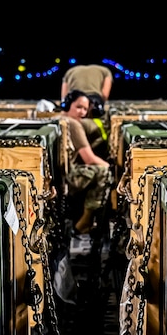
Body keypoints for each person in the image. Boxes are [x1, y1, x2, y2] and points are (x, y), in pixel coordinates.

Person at [60, 91, 111, 234]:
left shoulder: (58, 119)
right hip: (69, 178)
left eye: (85, 108)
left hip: (58, 175)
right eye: (78, 107)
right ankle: (86, 220)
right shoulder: (73, 124)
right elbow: (90, 159)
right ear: (67, 105)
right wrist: (110, 167)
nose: (82, 112)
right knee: (104, 173)